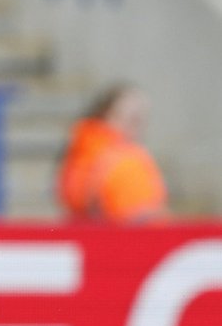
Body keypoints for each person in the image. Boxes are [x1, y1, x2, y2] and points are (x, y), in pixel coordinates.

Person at [57, 83, 168, 222]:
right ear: (107, 116)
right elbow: (140, 217)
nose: (138, 129)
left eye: (140, 121)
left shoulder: (84, 147)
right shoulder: (122, 159)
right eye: (133, 120)